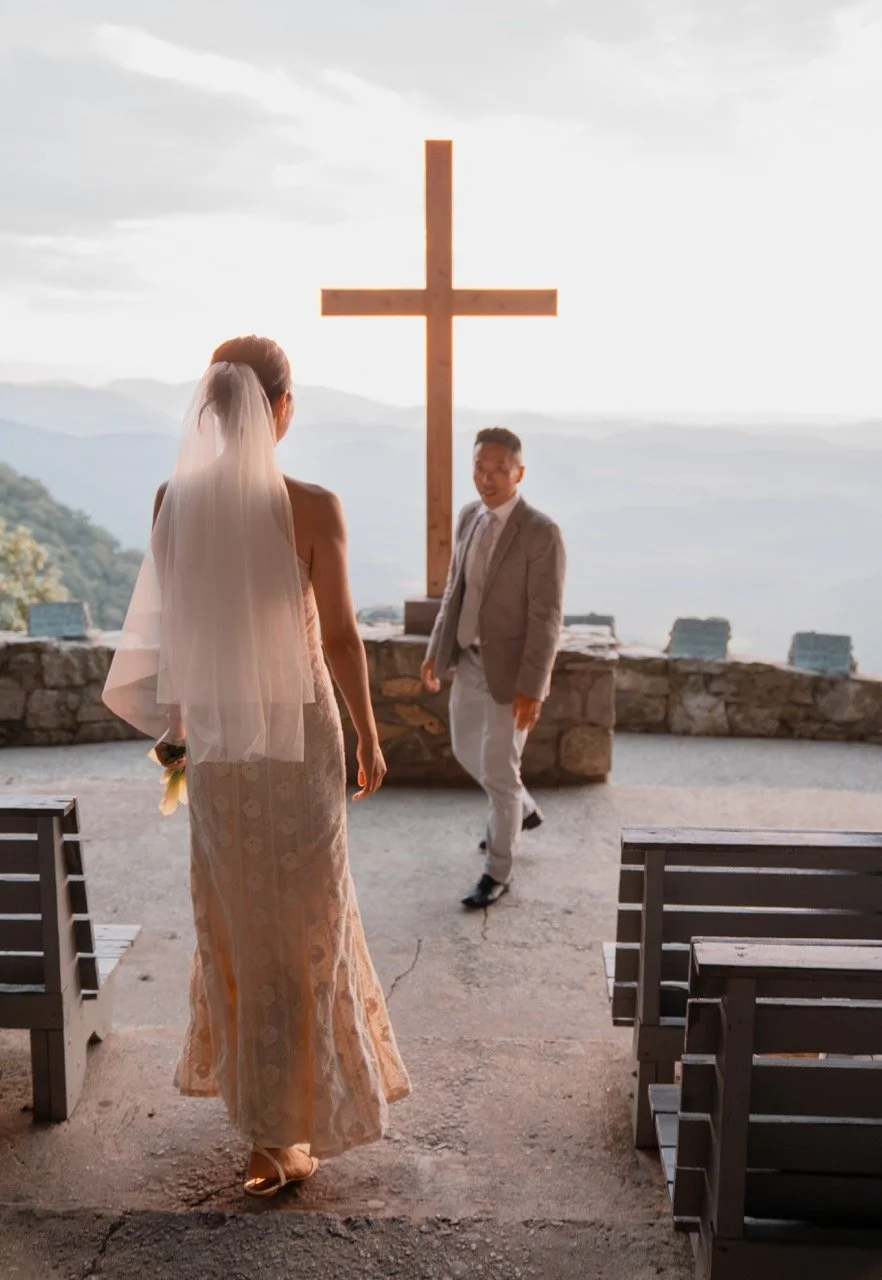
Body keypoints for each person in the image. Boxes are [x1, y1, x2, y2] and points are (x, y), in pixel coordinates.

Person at [103, 335, 410, 1197]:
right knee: (305, 921)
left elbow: (179, 636)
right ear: (281, 407)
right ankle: (288, 1130)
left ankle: (263, 1127)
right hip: (298, 739)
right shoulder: (312, 506)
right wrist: (369, 735)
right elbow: (344, 637)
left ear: (212, 409)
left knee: (241, 920)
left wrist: (178, 725)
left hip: (226, 750)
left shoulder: (174, 500)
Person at [421, 427, 566, 909]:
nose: (487, 477)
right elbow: (453, 592)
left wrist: (533, 688)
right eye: (480, 467)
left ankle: (497, 871)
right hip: (468, 660)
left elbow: (547, 618)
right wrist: (437, 653)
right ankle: (522, 809)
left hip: (512, 674)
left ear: (519, 473)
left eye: (498, 469)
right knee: (466, 752)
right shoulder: (468, 518)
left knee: (500, 773)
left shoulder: (541, 532)